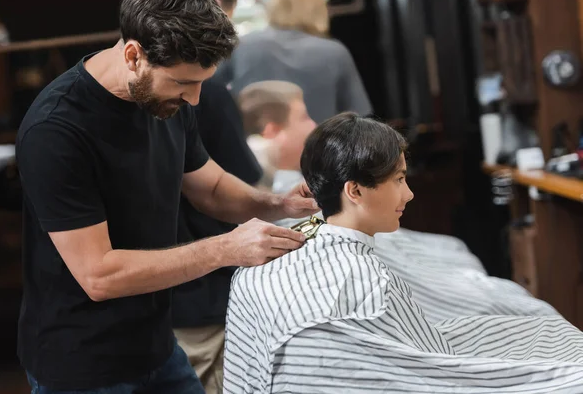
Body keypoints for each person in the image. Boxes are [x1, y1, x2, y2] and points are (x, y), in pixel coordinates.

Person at [15, 0, 318, 392]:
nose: (194, 99)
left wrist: (277, 205)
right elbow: (99, 275)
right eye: (183, 83)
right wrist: (226, 249)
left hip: (156, 346)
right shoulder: (56, 131)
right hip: (81, 365)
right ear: (133, 56)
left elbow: (209, 187)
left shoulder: (170, 100)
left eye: (201, 83)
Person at [224, 113, 583, 393]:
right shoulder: (364, 279)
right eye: (398, 180)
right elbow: (433, 369)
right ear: (355, 191)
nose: (409, 194)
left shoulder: (275, 256)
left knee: (543, 329)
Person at [237, 80, 558, 324]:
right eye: (399, 180)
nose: (311, 124)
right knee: (528, 312)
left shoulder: (306, 219)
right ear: (355, 191)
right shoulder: (346, 271)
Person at [171, 0, 263, 393]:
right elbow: (234, 186)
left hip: (163, 302)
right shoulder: (204, 94)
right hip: (199, 299)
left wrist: (279, 203)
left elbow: (211, 185)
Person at [215, 0, 372, 124]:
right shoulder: (335, 52)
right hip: (319, 151)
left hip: (255, 149)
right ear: (318, 10)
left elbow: (207, 89)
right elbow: (359, 115)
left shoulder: (242, 45)